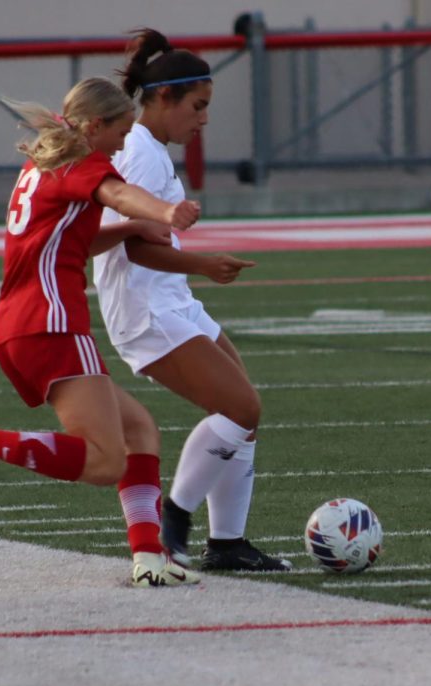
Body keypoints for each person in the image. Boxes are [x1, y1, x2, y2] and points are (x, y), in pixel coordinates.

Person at [0, 77, 202, 588]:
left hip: (23, 326)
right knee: (104, 460)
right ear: (95, 127)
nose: (122, 142)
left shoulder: (43, 165)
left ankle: (149, 559)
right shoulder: (81, 162)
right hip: (50, 325)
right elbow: (118, 191)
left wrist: (133, 230)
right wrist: (164, 211)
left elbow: (71, 241)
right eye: (120, 131)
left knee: (139, 431)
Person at [93, 28, 290, 572]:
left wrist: (195, 271)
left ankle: (226, 542)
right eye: (197, 106)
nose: (204, 119)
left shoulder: (150, 149)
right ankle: (174, 516)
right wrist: (204, 264)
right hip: (146, 309)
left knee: (242, 411)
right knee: (242, 407)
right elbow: (133, 248)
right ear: (162, 99)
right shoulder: (141, 154)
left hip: (170, 300)